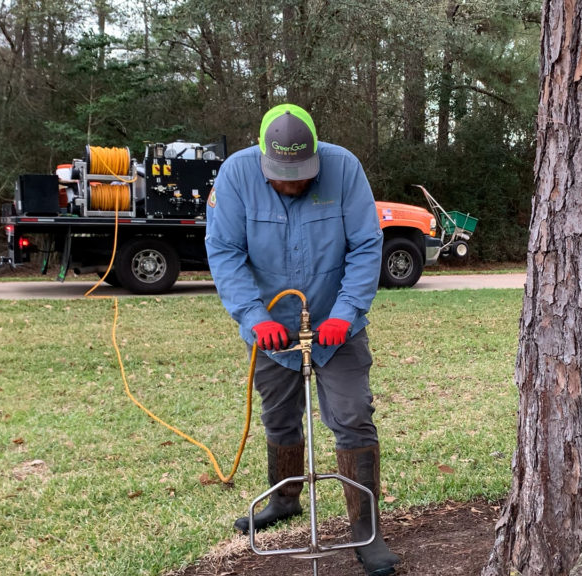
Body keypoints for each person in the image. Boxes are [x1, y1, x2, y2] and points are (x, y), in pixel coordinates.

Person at [205, 103, 400, 576]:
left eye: (300, 175)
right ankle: (284, 499)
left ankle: (365, 531)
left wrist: (347, 312)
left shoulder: (344, 169)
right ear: (263, 157)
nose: (291, 184)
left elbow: (366, 245)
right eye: (281, 176)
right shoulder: (234, 176)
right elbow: (224, 251)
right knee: (278, 415)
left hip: (337, 324)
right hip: (270, 326)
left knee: (353, 416)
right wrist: (253, 316)